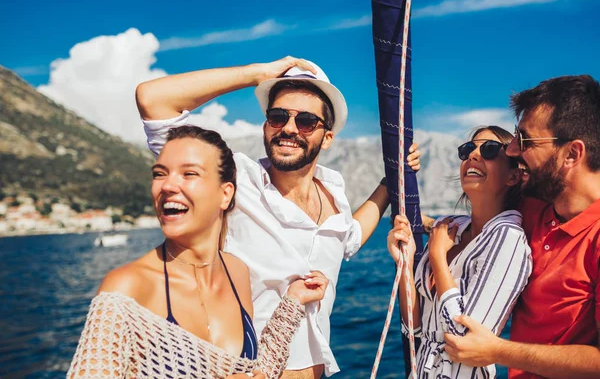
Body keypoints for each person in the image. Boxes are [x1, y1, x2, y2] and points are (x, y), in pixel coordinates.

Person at [136, 56, 420, 378]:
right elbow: (153, 101)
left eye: (306, 122)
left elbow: (349, 236)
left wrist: (390, 181)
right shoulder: (233, 180)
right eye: (278, 116)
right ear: (265, 125)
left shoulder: (334, 194)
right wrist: (257, 74)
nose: (288, 128)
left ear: (327, 137)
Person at [67, 126, 329, 379]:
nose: (167, 186)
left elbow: (255, 371)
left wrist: (293, 301)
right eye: (159, 173)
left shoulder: (237, 272)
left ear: (225, 194)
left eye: (189, 174)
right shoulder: (126, 289)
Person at [439, 75, 600, 378]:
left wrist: (497, 351)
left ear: (572, 154)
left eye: (524, 140)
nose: (512, 151)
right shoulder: (532, 208)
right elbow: (478, 218)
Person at [388, 126, 532, 378]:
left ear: (512, 176)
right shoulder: (450, 228)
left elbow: (464, 339)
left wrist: (437, 257)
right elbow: (415, 330)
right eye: (468, 149)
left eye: (488, 149)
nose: (473, 155)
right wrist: (406, 262)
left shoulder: (508, 238)